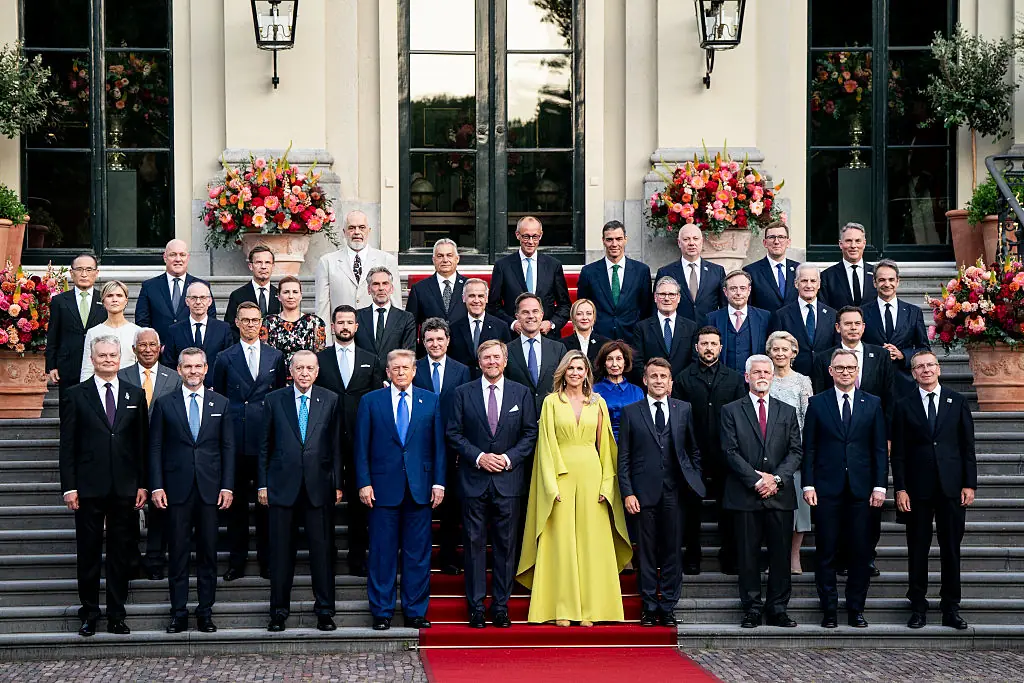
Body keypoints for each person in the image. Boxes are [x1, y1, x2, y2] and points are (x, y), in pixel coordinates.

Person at [517, 351, 632, 626]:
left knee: (591, 543)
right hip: (561, 475)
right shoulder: (551, 402)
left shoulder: (598, 402)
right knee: (561, 543)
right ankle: (563, 608)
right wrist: (550, 484)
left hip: (592, 475)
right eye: (570, 368)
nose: (575, 373)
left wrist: (607, 484)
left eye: (580, 368)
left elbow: (605, 445)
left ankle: (591, 610)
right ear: (563, 372)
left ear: (587, 373)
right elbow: (546, 445)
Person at [59, 336, 148, 637]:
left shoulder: (135, 394)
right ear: (93, 359)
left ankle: (116, 615)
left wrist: (143, 484)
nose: (108, 360)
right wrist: (69, 487)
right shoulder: (75, 395)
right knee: (88, 552)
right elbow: (67, 445)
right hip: (88, 488)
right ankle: (89, 613)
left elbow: (141, 443)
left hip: (124, 487)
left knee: (120, 553)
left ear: (120, 358)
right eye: (102, 356)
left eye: (112, 355)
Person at [446, 339, 538, 628]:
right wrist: (480, 457)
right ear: (479, 362)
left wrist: (508, 459)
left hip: (508, 482)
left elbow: (530, 434)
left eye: (497, 357)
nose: (492, 362)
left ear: (505, 361)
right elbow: (454, 433)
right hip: (473, 481)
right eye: (486, 357)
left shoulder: (521, 393)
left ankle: (500, 606)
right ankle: (475, 607)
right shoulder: (463, 393)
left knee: (505, 547)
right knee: (473, 546)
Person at [353, 349, 446, 631]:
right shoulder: (371, 401)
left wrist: (439, 482)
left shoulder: (431, 400)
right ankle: (382, 612)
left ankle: (414, 611)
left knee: (417, 555)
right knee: (382, 553)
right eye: (396, 368)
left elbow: (438, 446)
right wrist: (364, 482)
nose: (401, 372)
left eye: (406, 367)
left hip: (420, 489)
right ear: (388, 371)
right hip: (382, 490)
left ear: (415, 371)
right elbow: (361, 446)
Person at [149, 347, 235, 634]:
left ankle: (205, 612)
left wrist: (228, 486)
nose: (193, 371)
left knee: (209, 554)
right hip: (176, 490)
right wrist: (157, 485)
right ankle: (178, 612)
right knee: (178, 553)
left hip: (211, 491)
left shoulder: (221, 403)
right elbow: (156, 447)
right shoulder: (164, 403)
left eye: (198, 366)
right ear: (179, 370)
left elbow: (228, 448)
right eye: (188, 366)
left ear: (206, 369)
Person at [802, 348, 887, 629]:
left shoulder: (872, 403)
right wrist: (808, 483)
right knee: (826, 551)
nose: (845, 372)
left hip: (862, 490)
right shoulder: (817, 403)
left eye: (850, 368)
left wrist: (880, 486)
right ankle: (829, 609)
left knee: (860, 552)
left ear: (857, 371)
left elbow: (879, 448)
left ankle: (855, 609)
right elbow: (809, 447)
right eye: (840, 368)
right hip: (826, 489)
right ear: (831, 371)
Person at [891, 351, 977, 630]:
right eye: (920, 366)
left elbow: (967, 447)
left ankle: (951, 607)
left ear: (939, 369)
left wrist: (969, 484)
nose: (926, 370)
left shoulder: (957, 401)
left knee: (951, 549)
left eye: (930, 365)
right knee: (917, 550)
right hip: (917, 490)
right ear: (913, 373)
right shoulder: (903, 405)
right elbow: (898, 454)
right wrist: (900, 488)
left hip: (952, 488)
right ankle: (918, 606)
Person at [259, 351, 343, 633]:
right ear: (291, 372)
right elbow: (264, 445)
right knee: (281, 554)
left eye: (309, 368)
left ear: (317, 372)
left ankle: (325, 612)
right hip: (282, 487)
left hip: (319, 487)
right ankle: (278, 613)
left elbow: (335, 446)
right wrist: (262, 484)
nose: (304, 373)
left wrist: (338, 484)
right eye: (299, 368)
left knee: (322, 553)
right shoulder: (274, 400)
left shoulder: (330, 399)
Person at [618, 358, 703, 627]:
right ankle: (649, 606)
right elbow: (624, 457)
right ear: (645, 380)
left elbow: (693, 450)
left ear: (670, 382)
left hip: (675, 492)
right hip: (642, 494)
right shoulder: (631, 411)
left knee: (672, 551)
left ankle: (667, 606)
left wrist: (693, 480)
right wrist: (628, 492)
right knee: (646, 553)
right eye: (653, 376)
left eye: (663, 376)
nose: (658, 381)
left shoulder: (684, 409)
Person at [212, 302, 287, 581]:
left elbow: (279, 396)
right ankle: (237, 561)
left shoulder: (275, 356)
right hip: (236, 438)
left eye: (255, 320)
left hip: (265, 438)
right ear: (237, 322)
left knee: (267, 505)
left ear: (261, 323)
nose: (250, 325)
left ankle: (267, 561)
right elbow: (220, 398)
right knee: (237, 507)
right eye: (245, 320)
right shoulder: (224, 357)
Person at [314, 304, 383, 577]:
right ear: (332, 327)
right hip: (325, 441)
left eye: (349, 322)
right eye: (339, 322)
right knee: (324, 502)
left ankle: (357, 558)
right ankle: (327, 557)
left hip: (360, 441)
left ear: (356, 326)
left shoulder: (371, 359)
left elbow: (376, 402)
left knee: (358, 505)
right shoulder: (321, 359)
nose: (344, 327)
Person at [672, 326, 746, 574]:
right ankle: (693, 557)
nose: (709, 348)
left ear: (721, 347)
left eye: (713, 344)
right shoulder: (683, 378)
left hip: (726, 454)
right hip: (694, 454)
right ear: (696, 347)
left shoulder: (734, 378)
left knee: (728, 508)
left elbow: (740, 418)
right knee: (692, 510)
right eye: (704, 344)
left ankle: (730, 557)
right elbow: (679, 419)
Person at [117, 328, 181, 580]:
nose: (147, 349)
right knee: (127, 508)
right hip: (128, 453)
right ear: (134, 349)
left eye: (152, 344)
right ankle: (131, 561)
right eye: (142, 345)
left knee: (159, 509)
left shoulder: (174, 377)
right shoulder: (121, 375)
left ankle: (155, 560)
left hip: (163, 454)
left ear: (160, 348)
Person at [412, 318, 471, 574]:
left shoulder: (462, 370)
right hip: (419, 447)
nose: (435, 344)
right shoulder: (414, 368)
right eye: (430, 339)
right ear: (422, 342)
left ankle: (448, 557)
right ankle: (419, 559)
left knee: (450, 508)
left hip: (451, 447)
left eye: (439, 339)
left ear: (448, 340)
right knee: (419, 506)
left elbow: (466, 409)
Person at [765, 331, 814, 574]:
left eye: (785, 349)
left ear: (794, 352)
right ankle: (775, 556)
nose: (780, 353)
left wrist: (802, 451)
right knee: (771, 509)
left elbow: (808, 417)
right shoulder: (764, 378)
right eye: (776, 349)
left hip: (796, 452)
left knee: (799, 510)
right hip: (768, 452)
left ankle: (794, 556)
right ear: (769, 352)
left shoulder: (803, 381)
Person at [488, 216, 571, 338]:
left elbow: (565, 305)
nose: (531, 242)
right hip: (514, 338)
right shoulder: (503, 266)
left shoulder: (553, 265)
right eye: (526, 236)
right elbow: (493, 305)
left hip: (546, 337)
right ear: (517, 235)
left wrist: (551, 324)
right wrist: (512, 324)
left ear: (541, 235)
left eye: (535, 236)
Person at [314, 210, 401, 326]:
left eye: (362, 227)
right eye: (351, 228)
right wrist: (325, 337)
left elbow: (395, 305)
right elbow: (322, 307)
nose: (357, 232)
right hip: (341, 333)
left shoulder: (387, 260)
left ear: (369, 231)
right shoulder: (327, 262)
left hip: (376, 333)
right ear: (344, 232)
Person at [45, 253, 106, 414]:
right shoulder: (59, 301)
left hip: (98, 366)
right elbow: (53, 335)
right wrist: (51, 366)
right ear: (71, 273)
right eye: (79, 269)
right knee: (68, 414)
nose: (84, 274)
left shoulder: (105, 299)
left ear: (96, 273)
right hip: (68, 366)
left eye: (89, 269)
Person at [575, 220, 653, 345]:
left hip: (632, 339)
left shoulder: (641, 271)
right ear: (603, 241)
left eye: (619, 239)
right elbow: (583, 305)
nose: (614, 244)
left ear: (625, 240)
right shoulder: (588, 272)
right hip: (599, 339)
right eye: (609, 239)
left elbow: (646, 308)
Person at [862, 259, 930, 391]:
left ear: (898, 281)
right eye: (882, 280)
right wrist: (878, 353)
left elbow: (924, 349)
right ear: (874, 283)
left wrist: (902, 355)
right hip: (872, 382)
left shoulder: (913, 312)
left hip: (905, 382)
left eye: (891, 280)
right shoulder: (862, 312)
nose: (887, 284)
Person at [135, 239, 216, 343]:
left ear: (188, 258)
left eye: (182, 255)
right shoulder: (149, 287)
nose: (178, 259)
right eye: (173, 255)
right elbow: (142, 322)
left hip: (192, 349)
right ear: (165, 257)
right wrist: (157, 346)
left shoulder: (202, 286)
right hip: (160, 349)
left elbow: (210, 321)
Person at [768, 265, 838, 376]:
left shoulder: (832, 314)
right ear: (796, 284)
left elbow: (836, 347)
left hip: (826, 376)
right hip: (793, 376)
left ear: (819, 284)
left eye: (813, 281)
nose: (809, 285)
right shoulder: (781, 315)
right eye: (804, 281)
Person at [504, 293, 568, 414]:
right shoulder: (507, 350)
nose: (531, 316)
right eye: (525, 312)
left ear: (542, 315)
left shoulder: (558, 348)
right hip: (519, 416)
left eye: (535, 311)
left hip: (552, 414)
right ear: (517, 316)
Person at [654, 223, 726, 327]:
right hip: (678, 331)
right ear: (679, 243)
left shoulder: (717, 271)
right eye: (686, 239)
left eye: (695, 238)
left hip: (709, 331)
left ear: (702, 242)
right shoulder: (666, 272)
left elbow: (724, 306)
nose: (691, 243)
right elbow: (656, 307)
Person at [406, 238, 468, 355]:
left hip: (464, 355)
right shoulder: (419, 289)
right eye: (440, 256)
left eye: (449, 255)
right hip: (430, 354)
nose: (445, 260)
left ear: (457, 259)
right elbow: (411, 327)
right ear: (433, 260)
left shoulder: (470, 286)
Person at [706, 270, 770, 375]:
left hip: (753, 380)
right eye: (733, 289)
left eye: (743, 288)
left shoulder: (764, 317)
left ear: (749, 290)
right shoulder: (712, 318)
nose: (738, 293)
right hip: (721, 379)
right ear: (725, 292)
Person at [354, 266, 417, 370]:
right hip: (363, 377)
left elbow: (408, 353)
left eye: (385, 283)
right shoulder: (357, 317)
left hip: (393, 376)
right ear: (369, 289)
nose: (381, 288)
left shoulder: (406, 318)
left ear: (391, 289)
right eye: (376, 284)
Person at [635, 276, 698, 379]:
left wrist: (678, 383)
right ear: (655, 297)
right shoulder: (641, 328)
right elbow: (637, 362)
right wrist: (653, 381)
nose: (667, 299)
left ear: (678, 298)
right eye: (662, 294)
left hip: (683, 385)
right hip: (653, 385)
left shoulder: (691, 327)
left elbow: (695, 361)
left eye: (672, 295)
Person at [162, 281, 233, 371]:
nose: (198, 302)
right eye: (194, 298)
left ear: (210, 301)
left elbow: (228, 362)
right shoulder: (174, 330)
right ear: (187, 301)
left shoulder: (223, 329)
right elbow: (169, 364)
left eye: (203, 297)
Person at [447, 278, 511, 375]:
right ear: (464, 298)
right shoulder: (453, 328)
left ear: (486, 298)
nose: (476, 300)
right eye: (472, 296)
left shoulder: (501, 327)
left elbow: (507, 361)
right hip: (462, 382)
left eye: (480, 296)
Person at [80, 280, 141, 380]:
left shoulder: (137, 331)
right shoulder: (93, 333)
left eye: (119, 295)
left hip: (130, 384)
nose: (114, 299)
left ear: (126, 301)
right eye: (109, 296)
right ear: (103, 301)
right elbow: (87, 368)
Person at [261, 275, 327, 367]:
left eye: (295, 292)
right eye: (286, 292)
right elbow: (264, 354)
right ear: (279, 296)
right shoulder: (268, 322)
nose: (291, 296)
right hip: (276, 373)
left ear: (301, 296)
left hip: (306, 373)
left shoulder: (315, 322)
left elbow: (320, 355)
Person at [224, 245, 281, 341]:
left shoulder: (281, 295)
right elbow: (230, 327)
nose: (263, 267)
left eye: (267, 262)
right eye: (259, 262)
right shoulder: (237, 295)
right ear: (250, 266)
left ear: (273, 266)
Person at [743, 221, 800, 315]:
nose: (776, 242)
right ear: (765, 243)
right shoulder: (751, 271)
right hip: (765, 323)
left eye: (781, 237)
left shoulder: (799, 270)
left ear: (788, 242)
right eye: (772, 237)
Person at [592, 341, 645, 441]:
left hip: (632, 444)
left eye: (619, 359)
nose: (614, 364)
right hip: (604, 442)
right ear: (604, 363)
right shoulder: (594, 391)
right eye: (609, 359)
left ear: (625, 362)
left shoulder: (637, 391)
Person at [819, 223, 876, 309]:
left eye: (858, 241)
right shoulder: (827, 276)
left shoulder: (877, 274)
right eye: (848, 241)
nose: (853, 246)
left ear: (864, 244)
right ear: (840, 244)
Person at [561, 298, 609, 366]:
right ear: (573, 317)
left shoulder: (605, 344)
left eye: (589, 314)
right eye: (579, 314)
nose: (584, 317)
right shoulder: (562, 345)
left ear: (594, 317)